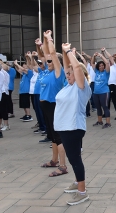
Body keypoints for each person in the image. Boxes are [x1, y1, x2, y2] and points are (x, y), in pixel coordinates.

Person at [55, 44, 91, 205]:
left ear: (79, 75)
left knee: (75, 159)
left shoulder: (81, 87)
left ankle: (82, 192)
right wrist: (63, 50)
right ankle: (77, 183)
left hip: (73, 128)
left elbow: (75, 67)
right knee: (73, 157)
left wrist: (70, 52)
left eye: (70, 74)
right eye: (67, 74)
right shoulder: (69, 86)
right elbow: (67, 66)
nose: (67, 75)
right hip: (65, 128)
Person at [38, 30, 67, 177]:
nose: (47, 62)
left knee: (58, 137)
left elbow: (53, 54)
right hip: (46, 108)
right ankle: (54, 161)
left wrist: (50, 39)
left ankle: (63, 166)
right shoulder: (48, 72)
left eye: (50, 61)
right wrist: (43, 40)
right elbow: (45, 55)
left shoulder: (58, 72)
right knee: (52, 137)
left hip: (53, 107)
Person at [91, 50, 111, 128]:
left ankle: (108, 123)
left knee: (105, 107)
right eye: (100, 66)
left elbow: (107, 63)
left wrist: (100, 55)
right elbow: (92, 63)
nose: (101, 67)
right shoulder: (97, 72)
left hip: (104, 92)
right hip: (96, 92)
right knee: (98, 107)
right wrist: (94, 56)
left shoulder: (106, 72)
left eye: (102, 65)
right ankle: (100, 121)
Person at [103, 48, 116, 120]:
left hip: (112, 85)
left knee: (114, 100)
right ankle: (106, 113)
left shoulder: (115, 67)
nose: (110, 61)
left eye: (111, 59)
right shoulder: (108, 67)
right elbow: (106, 60)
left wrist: (105, 50)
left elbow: (110, 58)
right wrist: (102, 53)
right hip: (107, 85)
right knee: (107, 100)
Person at [13, 57, 34, 122]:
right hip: (22, 91)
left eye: (25, 65)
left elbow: (22, 69)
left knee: (26, 103)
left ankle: (29, 115)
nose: (23, 67)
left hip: (26, 91)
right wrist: (15, 65)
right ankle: (26, 114)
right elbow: (19, 70)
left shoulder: (30, 72)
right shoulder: (24, 74)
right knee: (23, 104)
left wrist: (17, 64)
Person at [0, 62, 10, 131]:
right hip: (1, 93)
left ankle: (6, 124)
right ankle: (0, 124)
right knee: (0, 111)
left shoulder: (2, 73)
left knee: (3, 110)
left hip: (3, 93)